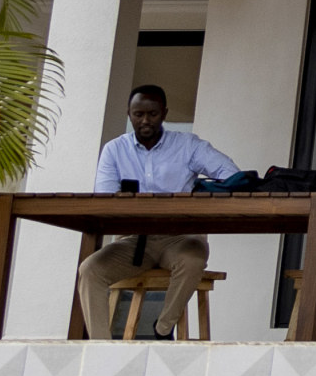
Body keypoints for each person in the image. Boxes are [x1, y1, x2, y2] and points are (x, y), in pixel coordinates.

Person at [80, 86, 240, 339]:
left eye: (152, 114)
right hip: (133, 240)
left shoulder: (187, 145)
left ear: (164, 113)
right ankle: (102, 347)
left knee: (193, 258)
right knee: (90, 269)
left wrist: (202, 192)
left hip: (180, 236)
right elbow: (105, 199)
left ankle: (163, 328)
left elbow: (231, 174)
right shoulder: (115, 150)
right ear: (129, 113)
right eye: (138, 114)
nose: (145, 120)